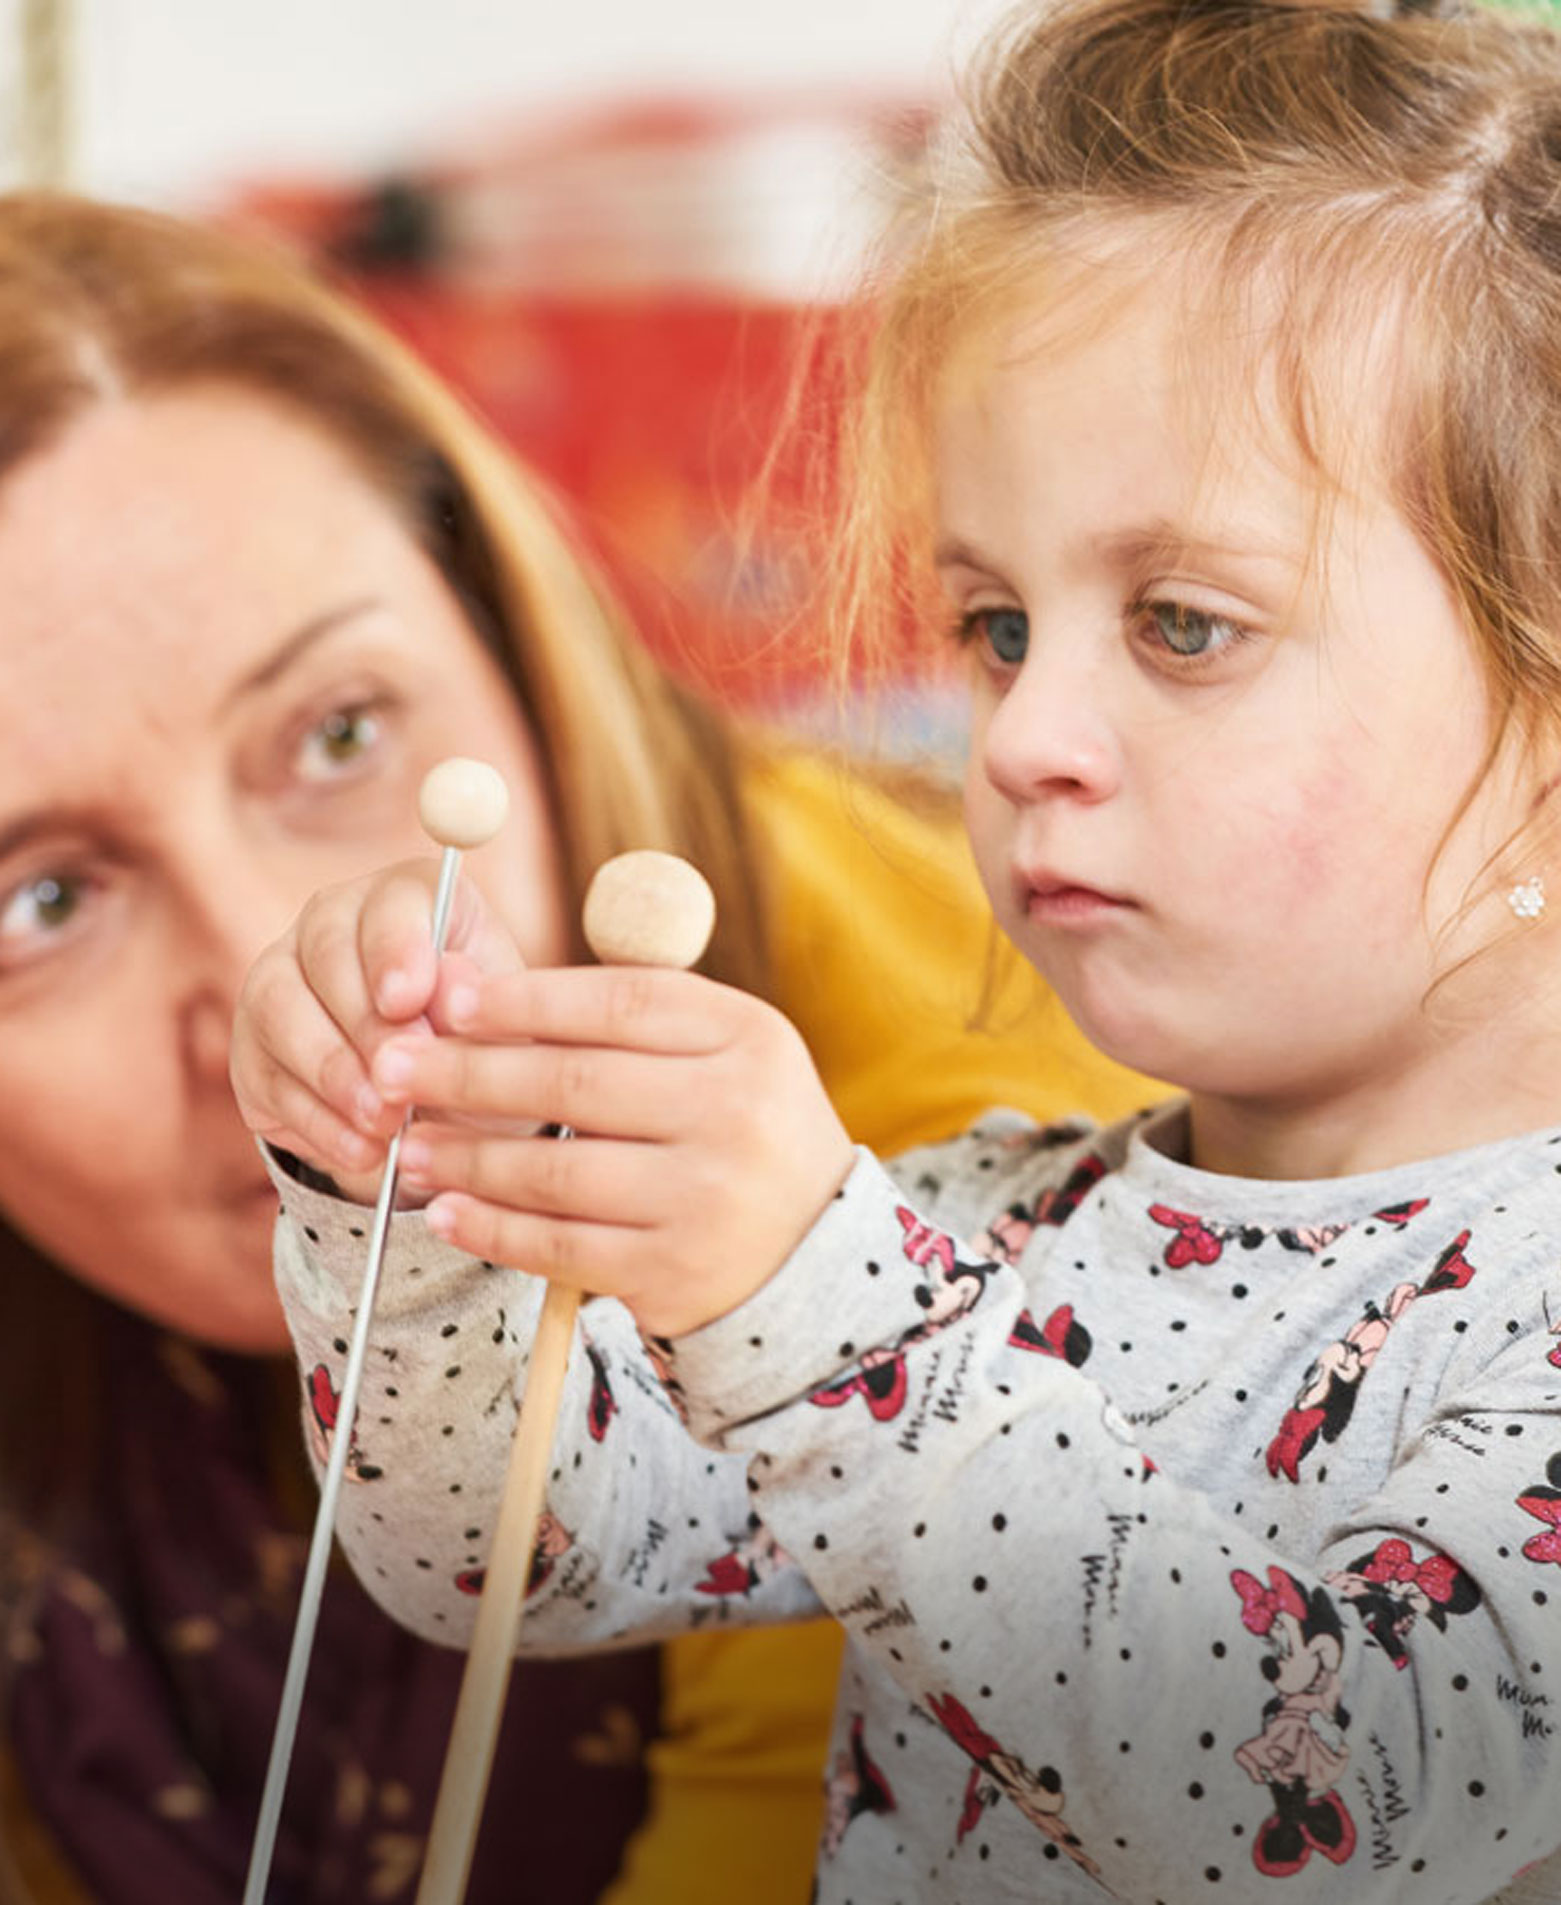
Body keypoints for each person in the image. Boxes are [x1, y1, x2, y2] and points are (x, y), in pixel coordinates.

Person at [0, 190, 1149, 1903]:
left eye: (340, 733)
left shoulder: (1018, 1194)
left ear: (521, 657)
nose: (277, 981)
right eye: (40, 906)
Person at [236, 1, 1561, 1899]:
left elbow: (1306, 1802)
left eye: (1184, 623)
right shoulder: (989, 1241)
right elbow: (507, 1550)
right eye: (999, 625)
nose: (1015, 738)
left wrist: (810, 1290)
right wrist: (406, 1220)